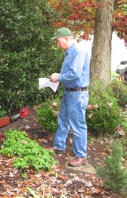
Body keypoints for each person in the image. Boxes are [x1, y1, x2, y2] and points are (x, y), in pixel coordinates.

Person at [48, 27, 90, 167]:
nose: (57, 44)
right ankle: (59, 146)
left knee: (78, 125)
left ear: (67, 38)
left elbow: (74, 74)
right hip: (69, 92)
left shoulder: (78, 52)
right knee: (63, 120)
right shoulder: (68, 53)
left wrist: (58, 77)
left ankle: (81, 155)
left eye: (58, 41)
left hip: (77, 94)